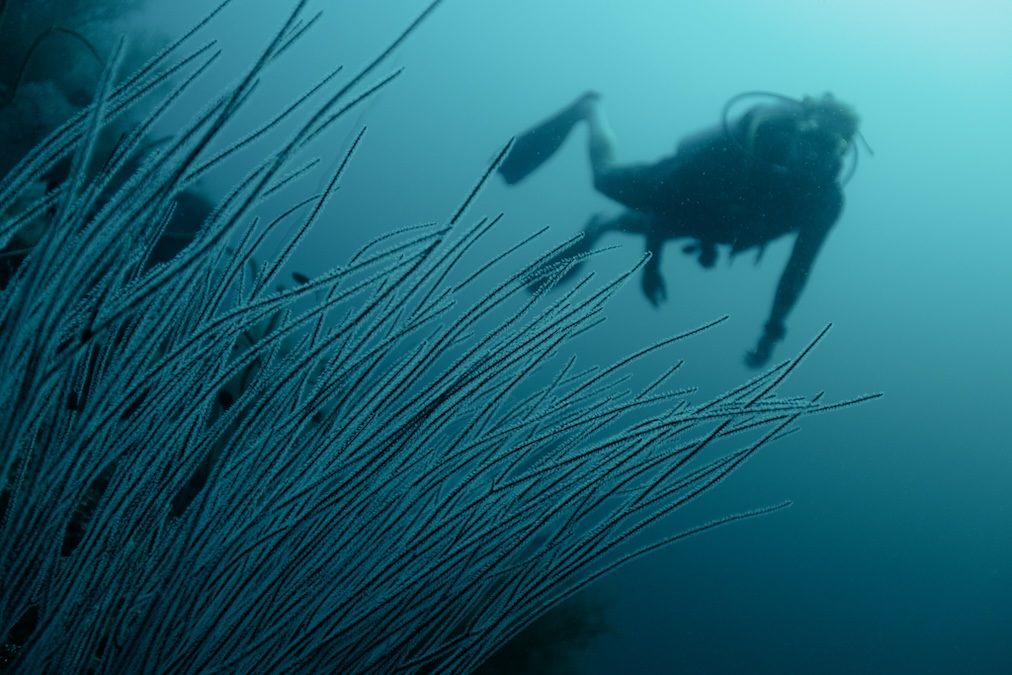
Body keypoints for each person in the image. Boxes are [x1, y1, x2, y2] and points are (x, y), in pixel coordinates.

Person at [498, 90, 862, 368]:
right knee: (603, 178)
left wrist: (772, 330)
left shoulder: (825, 201)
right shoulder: (746, 146)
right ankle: (589, 108)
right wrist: (651, 265)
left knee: (669, 223)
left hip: (718, 225)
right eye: (811, 136)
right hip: (669, 187)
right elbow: (668, 199)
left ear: (840, 153)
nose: (813, 152)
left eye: (828, 144)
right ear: (798, 128)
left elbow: (798, 268)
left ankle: (604, 227)